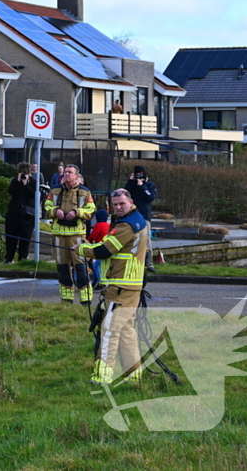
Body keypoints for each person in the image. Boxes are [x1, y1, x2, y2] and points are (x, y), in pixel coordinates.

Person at [78, 189, 149, 385]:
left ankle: (102, 377)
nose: (118, 207)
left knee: (109, 330)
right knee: (126, 330)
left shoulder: (126, 225)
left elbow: (104, 250)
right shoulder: (136, 219)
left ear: (131, 201)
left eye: (122, 204)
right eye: (115, 204)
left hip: (121, 286)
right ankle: (134, 374)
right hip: (129, 285)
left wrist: (81, 248)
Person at [44, 164, 96, 304]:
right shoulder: (54, 190)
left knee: (80, 266)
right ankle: (66, 298)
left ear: (76, 176)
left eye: (70, 172)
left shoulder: (85, 192)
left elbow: (91, 210)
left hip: (77, 235)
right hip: (58, 234)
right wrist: (55, 211)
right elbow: (47, 206)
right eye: (65, 172)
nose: (66, 174)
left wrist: (77, 212)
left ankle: (86, 298)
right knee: (62, 267)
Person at [124, 165, 159, 273]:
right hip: (132, 216)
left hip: (144, 216)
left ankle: (149, 263)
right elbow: (124, 194)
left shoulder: (150, 185)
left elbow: (151, 197)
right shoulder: (132, 185)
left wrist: (142, 186)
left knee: (146, 241)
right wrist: (131, 182)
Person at [4, 162, 36, 263]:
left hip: (28, 215)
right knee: (11, 238)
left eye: (25, 173)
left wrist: (26, 184)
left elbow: (32, 194)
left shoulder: (33, 181)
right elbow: (11, 192)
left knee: (25, 238)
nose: (23, 175)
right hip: (14, 213)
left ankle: (23, 258)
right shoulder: (15, 181)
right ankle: (9, 258)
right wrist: (18, 182)